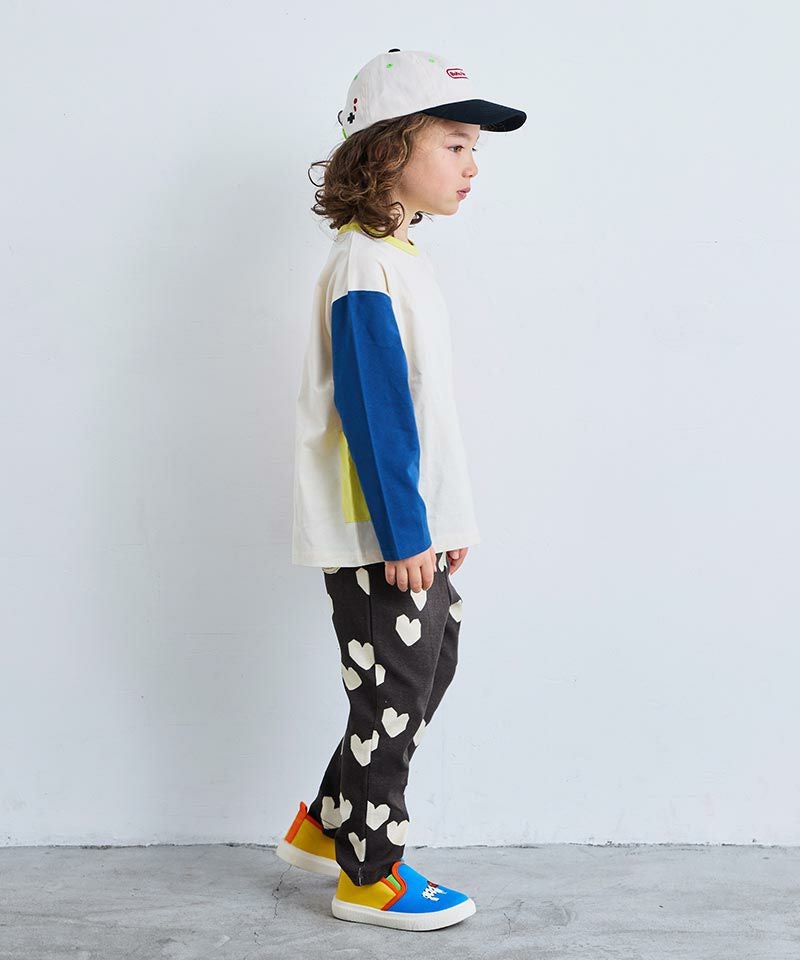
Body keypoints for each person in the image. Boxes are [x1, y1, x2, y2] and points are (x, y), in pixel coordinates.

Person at [277, 48, 526, 931]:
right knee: (392, 689)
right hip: (378, 532)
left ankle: (327, 822)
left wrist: (442, 519)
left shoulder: (398, 256)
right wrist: (403, 533)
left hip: (410, 525)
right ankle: (369, 872)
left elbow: (419, 410)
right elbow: (375, 412)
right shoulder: (363, 267)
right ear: (387, 150)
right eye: (455, 144)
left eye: (474, 149)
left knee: (426, 667)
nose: (472, 165)